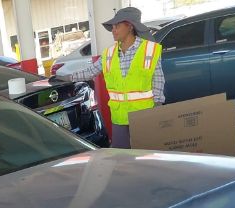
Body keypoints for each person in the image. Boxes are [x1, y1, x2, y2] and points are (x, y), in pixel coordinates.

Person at [55, 7, 165, 149]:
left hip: (143, 115)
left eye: (117, 26)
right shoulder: (109, 53)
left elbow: (158, 81)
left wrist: (157, 107)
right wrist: (67, 77)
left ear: (130, 26)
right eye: (112, 27)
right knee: (122, 158)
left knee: (146, 155)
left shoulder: (150, 50)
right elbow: (90, 71)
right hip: (119, 117)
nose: (113, 30)